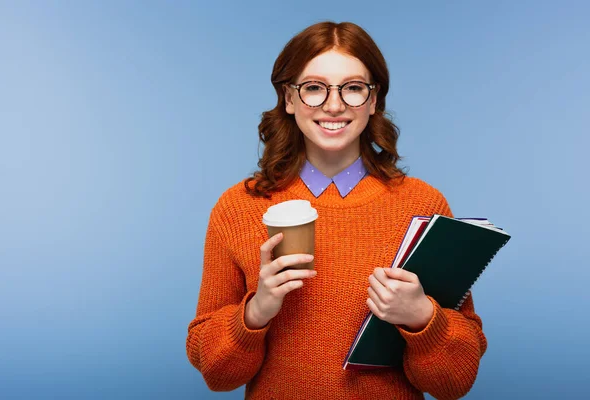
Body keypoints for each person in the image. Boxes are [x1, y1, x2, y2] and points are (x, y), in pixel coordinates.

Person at [186, 21, 487, 400]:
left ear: (374, 100)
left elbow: (454, 382)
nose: (333, 105)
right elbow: (216, 373)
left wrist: (423, 318)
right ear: (289, 99)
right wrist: (257, 310)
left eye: (353, 88)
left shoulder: (422, 205)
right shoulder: (239, 208)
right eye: (314, 88)